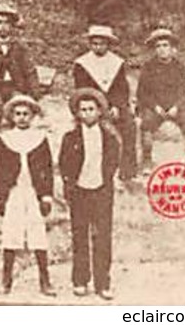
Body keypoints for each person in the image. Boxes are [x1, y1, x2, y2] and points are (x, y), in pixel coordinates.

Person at [0, 93, 55, 296]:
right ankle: (6, 281)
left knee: (37, 234)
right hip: (14, 193)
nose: (22, 117)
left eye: (26, 113)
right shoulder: (5, 139)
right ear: (11, 117)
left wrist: (46, 195)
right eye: (17, 114)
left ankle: (45, 281)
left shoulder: (40, 139)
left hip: (33, 192)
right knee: (11, 233)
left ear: (33, 115)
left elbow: (47, 168)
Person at [60, 88, 120, 300]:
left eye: (91, 109)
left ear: (99, 111)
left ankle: (103, 283)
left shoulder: (109, 137)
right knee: (79, 236)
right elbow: (64, 164)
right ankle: (80, 280)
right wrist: (70, 185)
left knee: (102, 236)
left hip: (101, 191)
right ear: (77, 113)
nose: (87, 113)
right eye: (82, 110)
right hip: (79, 192)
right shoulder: (70, 137)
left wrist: (105, 180)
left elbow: (113, 161)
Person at [71, 24, 136, 180]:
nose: (98, 47)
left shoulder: (116, 62)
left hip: (113, 106)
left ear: (108, 44)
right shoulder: (82, 64)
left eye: (102, 43)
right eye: (94, 43)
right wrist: (98, 108)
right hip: (91, 105)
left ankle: (127, 169)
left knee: (129, 126)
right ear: (90, 44)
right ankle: (83, 165)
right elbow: (82, 90)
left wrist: (117, 106)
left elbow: (122, 88)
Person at [138, 28, 185, 167]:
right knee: (146, 123)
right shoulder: (148, 67)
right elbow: (142, 93)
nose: (162, 49)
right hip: (156, 108)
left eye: (165, 45)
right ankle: (147, 159)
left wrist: (177, 107)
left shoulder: (179, 67)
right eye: (158, 46)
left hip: (176, 108)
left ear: (172, 48)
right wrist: (155, 107)